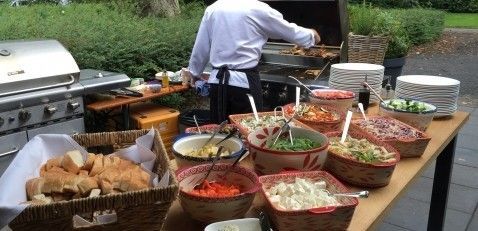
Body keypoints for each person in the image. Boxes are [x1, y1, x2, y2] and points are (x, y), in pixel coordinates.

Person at [185, 0, 321, 123]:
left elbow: (201, 46)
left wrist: (194, 73)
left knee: (219, 132)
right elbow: (289, 31)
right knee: (248, 132)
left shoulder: (213, 9)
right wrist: (311, 36)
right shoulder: (258, 9)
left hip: (217, 84)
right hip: (244, 84)